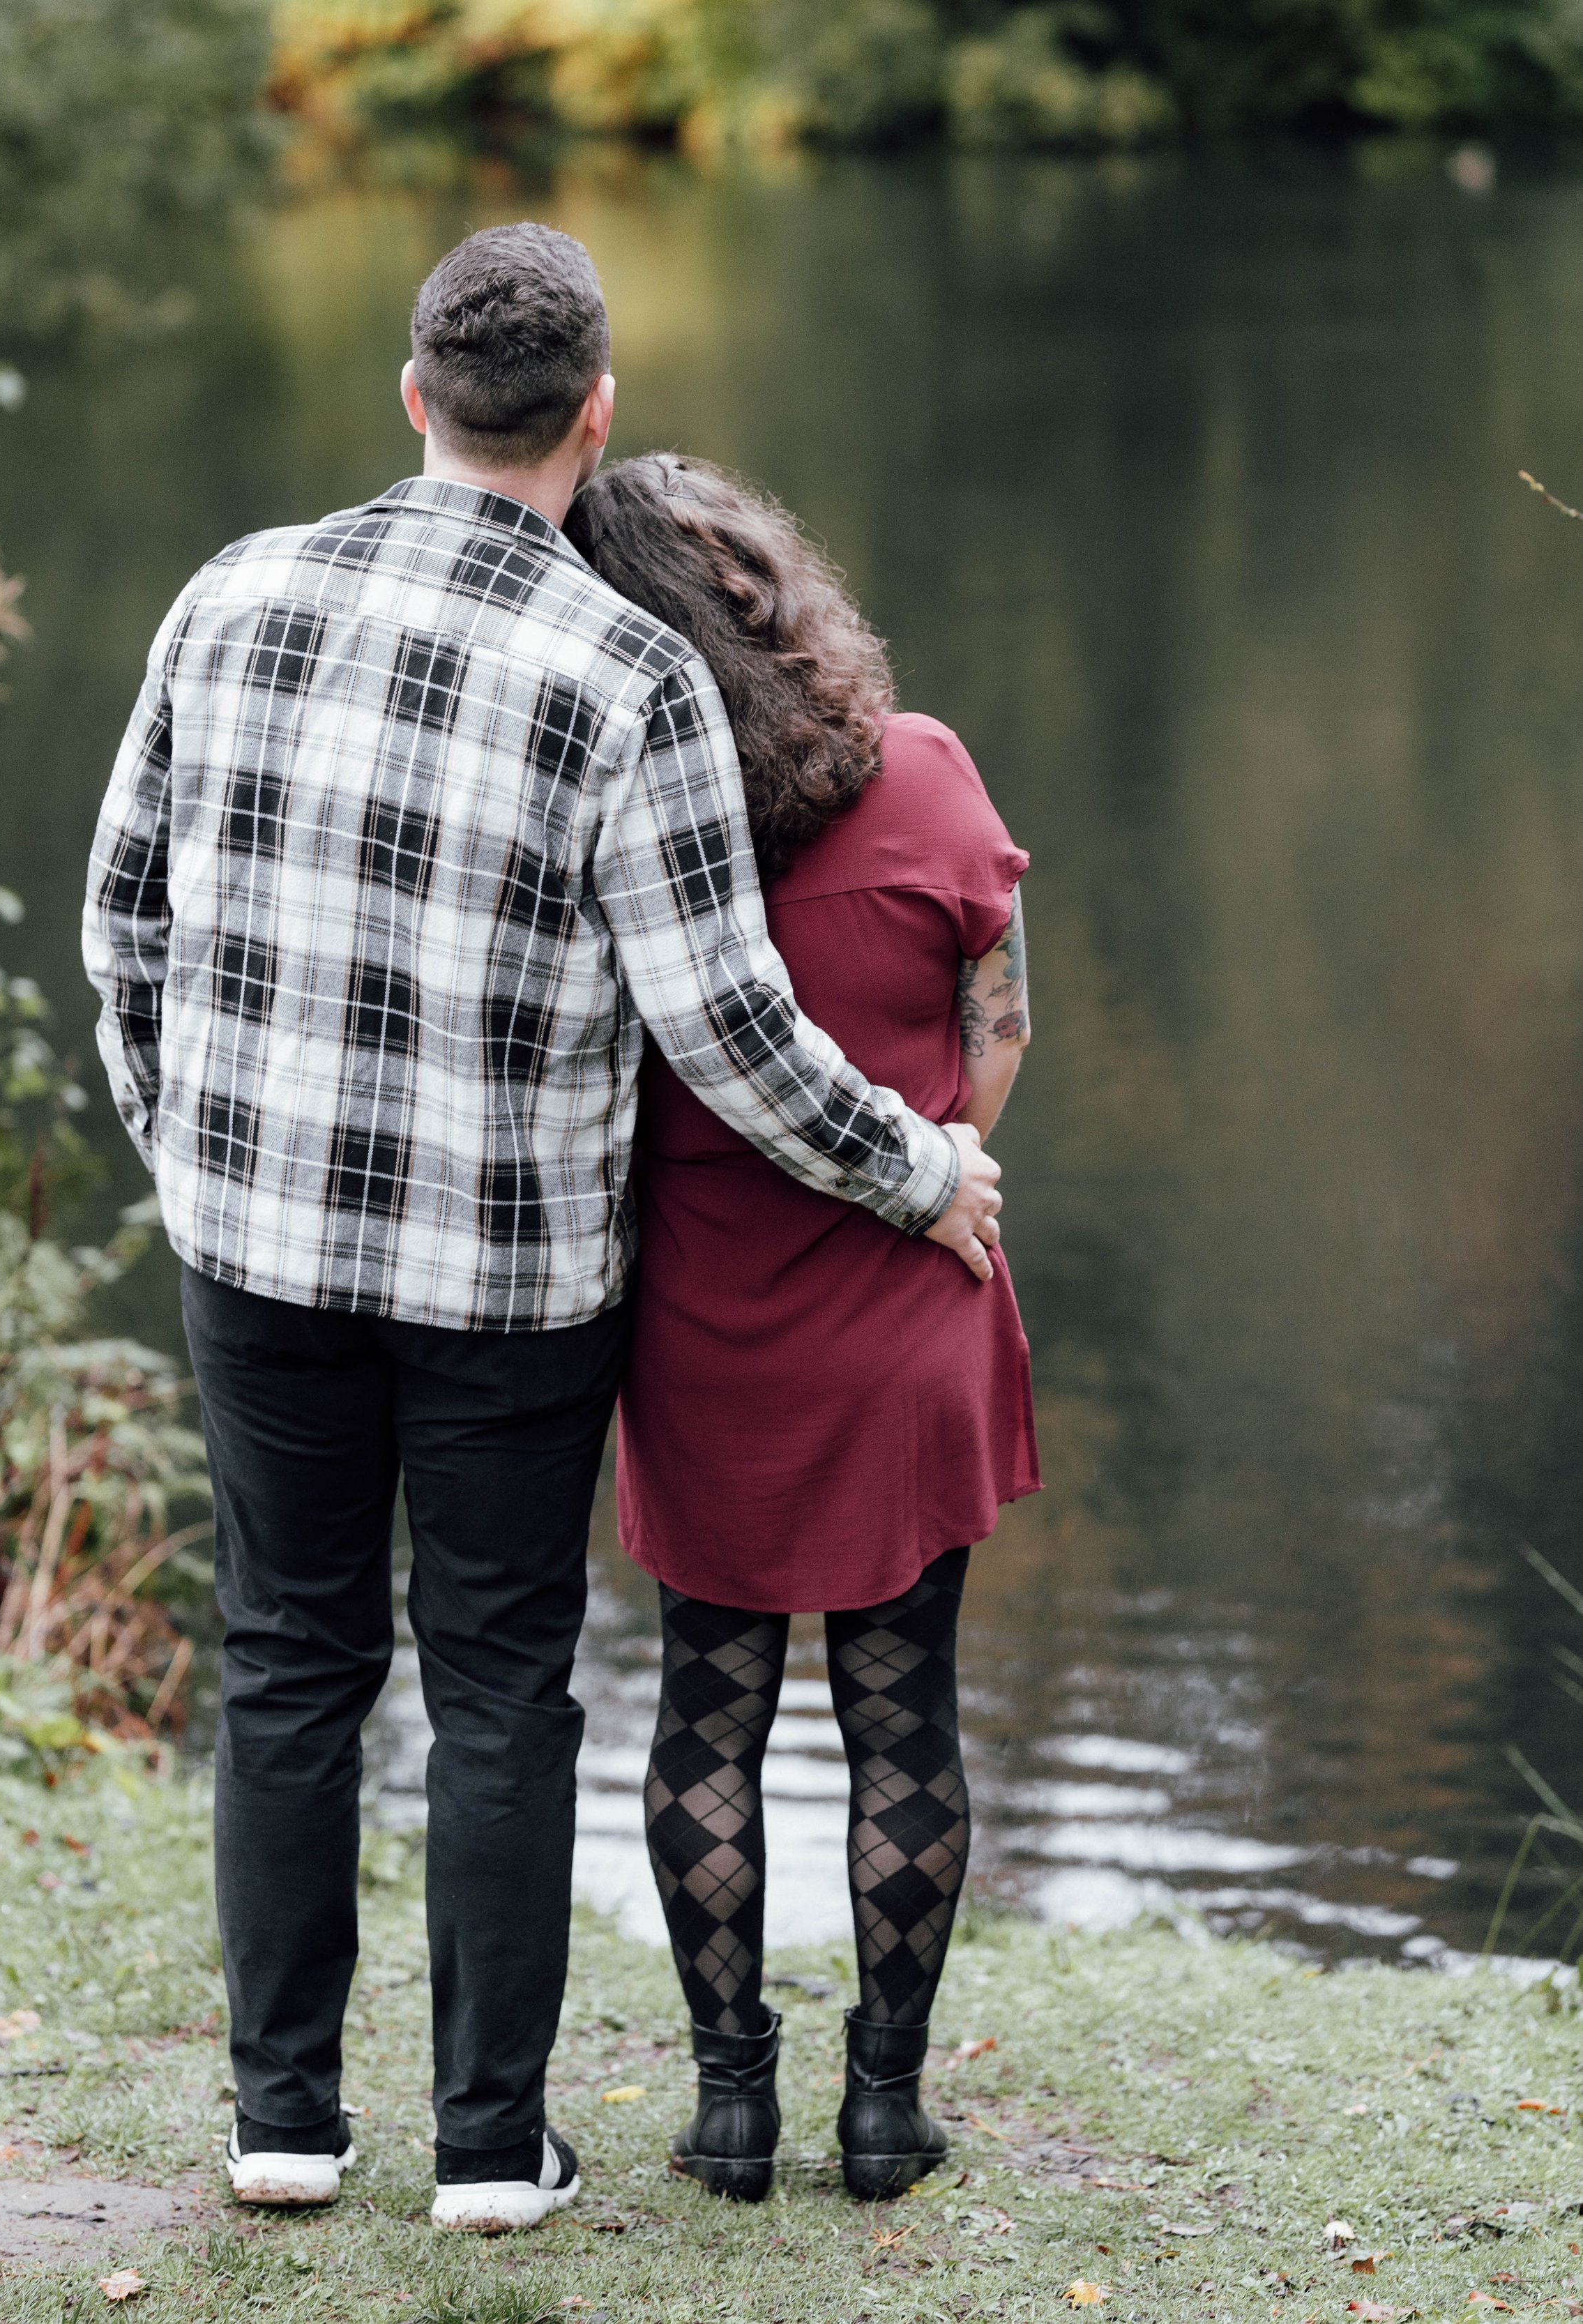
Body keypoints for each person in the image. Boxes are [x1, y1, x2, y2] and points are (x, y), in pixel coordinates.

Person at [80, 225, 1003, 2232]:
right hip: (506, 1283)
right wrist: (916, 1163)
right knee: (497, 1678)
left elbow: (123, 920)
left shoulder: (230, 590)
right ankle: (490, 2145)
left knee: (286, 1661)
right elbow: (723, 1022)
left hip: (254, 1247)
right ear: (592, 418)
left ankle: (284, 2119)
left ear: (412, 396)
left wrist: (184, 1150)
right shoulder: (628, 667)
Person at [562, 454, 1038, 2205]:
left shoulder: (617, 814)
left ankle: (731, 2102)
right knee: (904, 1711)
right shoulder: (924, 772)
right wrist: (935, 1163)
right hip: (913, 1294)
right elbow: (999, 1024)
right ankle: (886, 2107)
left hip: (703, 1323)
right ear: (780, 585)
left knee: (708, 1708)